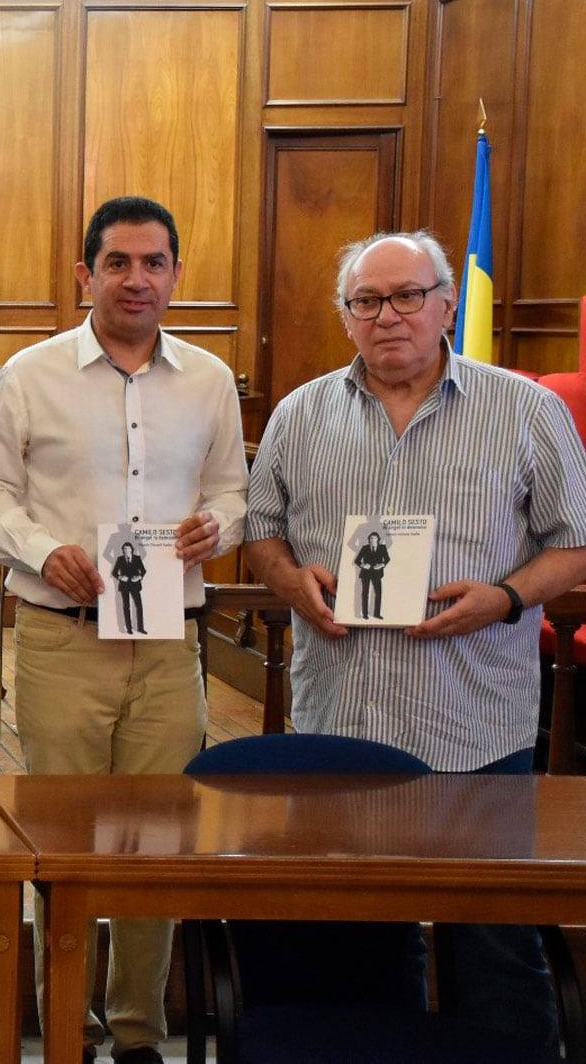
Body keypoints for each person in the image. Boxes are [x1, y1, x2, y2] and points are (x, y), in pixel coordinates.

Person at [246, 229, 586, 1055]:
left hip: (473, 722)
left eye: (407, 296)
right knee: (359, 945)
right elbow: (261, 533)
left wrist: (504, 597)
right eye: (367, 301)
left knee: (495, 948)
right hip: (343, 725)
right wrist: (294, 583)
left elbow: (574, 541)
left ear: (447, 304)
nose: (388, 316)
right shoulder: (301, 413)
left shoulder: (526, 408)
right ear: (346, 315)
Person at [0, 195, 247, 1064]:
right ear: (85, 274)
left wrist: (218, 528)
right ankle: (70, 1032)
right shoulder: (33, 373)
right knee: (68, 846)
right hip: (61, 638)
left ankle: (137, 1035)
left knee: (158, 843)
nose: (136, 279)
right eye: (117, 263)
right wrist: (42, 551)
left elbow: (235, 489)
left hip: (168, 646)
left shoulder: (208, 381)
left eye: (153, 263)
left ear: (176, 275)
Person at [111, 540, 146, 635]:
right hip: (124, 586)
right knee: (126, 607)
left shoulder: (137, 558)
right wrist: (121, 577)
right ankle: (129, 629)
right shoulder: (120, 559)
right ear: (123, 550)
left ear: (132, 549)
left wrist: (138, 577)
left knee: (139, 606)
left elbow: (143, 570)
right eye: (125, 549)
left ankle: (140, 628)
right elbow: (114, 572)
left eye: (128, 548)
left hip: (135, 585)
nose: (126, 550)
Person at [355, 531, 389, 620]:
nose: (373, 540)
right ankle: (365, 614)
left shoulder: (382, 548)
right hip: (366, 573)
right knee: (365, 593)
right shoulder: (364, 548)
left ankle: (377, 614)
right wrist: (363, 565)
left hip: (377, 573)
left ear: (378, 539)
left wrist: (381, 565)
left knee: (378, 593)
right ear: (369, 540)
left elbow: (387, 559)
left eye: (374, 538)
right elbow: (357, 560)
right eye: (371, 539)